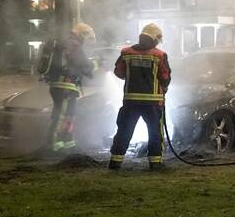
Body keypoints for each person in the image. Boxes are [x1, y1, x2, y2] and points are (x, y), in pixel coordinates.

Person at [109, 23, 172, 170]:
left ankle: (115, 161)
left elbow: (119, 72)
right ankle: (155, 163)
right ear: (155, 39)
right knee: (155, 132)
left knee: (124, 130)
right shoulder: (159, 55)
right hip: (152, 102)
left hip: (131, 100)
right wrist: (165, 86)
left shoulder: (126, 53)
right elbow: (165, 77)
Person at [43, 22, 96, 152]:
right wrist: (97, 63)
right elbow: (84, 65)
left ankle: (67, 142)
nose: (86, 41)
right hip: (64, 86)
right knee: (61, 115)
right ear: (81, 34)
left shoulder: (67, 44)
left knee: (69, 115)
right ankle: (53, 145)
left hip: (66, 85)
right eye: (86, 37)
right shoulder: (73, 44)